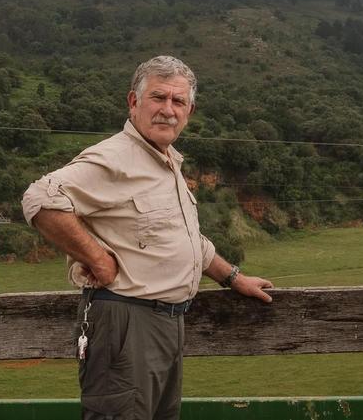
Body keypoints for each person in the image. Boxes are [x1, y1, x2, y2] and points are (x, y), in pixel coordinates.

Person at [22, 55, 273, 420]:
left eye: (178, 101)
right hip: (126, 323)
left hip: (168, 324)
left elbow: (186, 239)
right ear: (133, 101)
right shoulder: (115, 158)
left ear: (190, 110)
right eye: (158, 97)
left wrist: (233, 277)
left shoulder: (166, 161)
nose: (168, 110)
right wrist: (97, 258)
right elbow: (40, 199)